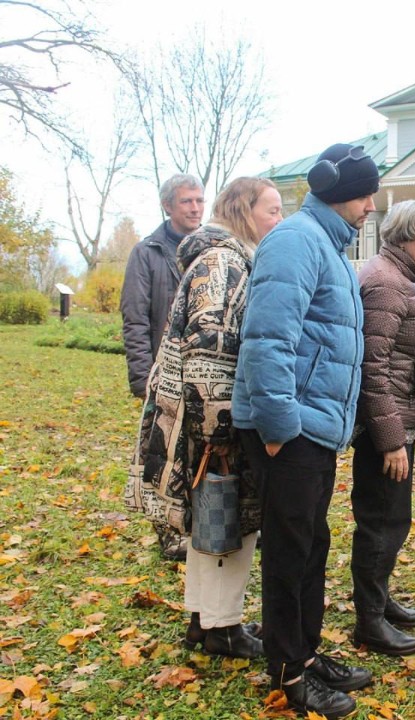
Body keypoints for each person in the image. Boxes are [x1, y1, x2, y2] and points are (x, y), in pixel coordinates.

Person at [232, 143, 378, 719]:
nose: (371, 205)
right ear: (340, 193)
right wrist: (277, 426)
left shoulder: (330, 247)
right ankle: (289, 668)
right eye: (366, 194)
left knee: (312, 544)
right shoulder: (296, 240)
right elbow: (267, 339)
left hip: (315, 426)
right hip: (289, 429)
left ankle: (308, 654)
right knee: (290, 551)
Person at [127, 177, 283, 658]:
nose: (279, 220)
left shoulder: (223, 256)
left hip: (203, 416)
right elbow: (208, 349)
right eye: (272, 210)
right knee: (226, 521)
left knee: (212, 522)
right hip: (213, 420)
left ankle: (204, 620)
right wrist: (218, 429)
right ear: (244, 210)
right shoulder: (224, 260)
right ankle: (222, 628)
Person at [350, 200, 415, 656]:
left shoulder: (396, 278)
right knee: (381, 522)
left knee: (392, 519)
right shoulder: (386, 284)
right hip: (385, 431)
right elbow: (373, 368)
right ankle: (368, 621)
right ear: (405, 234)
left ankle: (379, 600)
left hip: (399, 423)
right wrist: (390, 441)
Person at [121, 173, 205, 561]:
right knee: (161, 454)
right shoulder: (148, 252)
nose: (194, 208)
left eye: (199, 200)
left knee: (194, 452)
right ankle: (168, 532)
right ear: (167, 206)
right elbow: (135, 318)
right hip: (160, 374)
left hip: (199, 374)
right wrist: (141, 377)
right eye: (186, 201)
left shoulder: (206, 250)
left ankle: (194, 523)